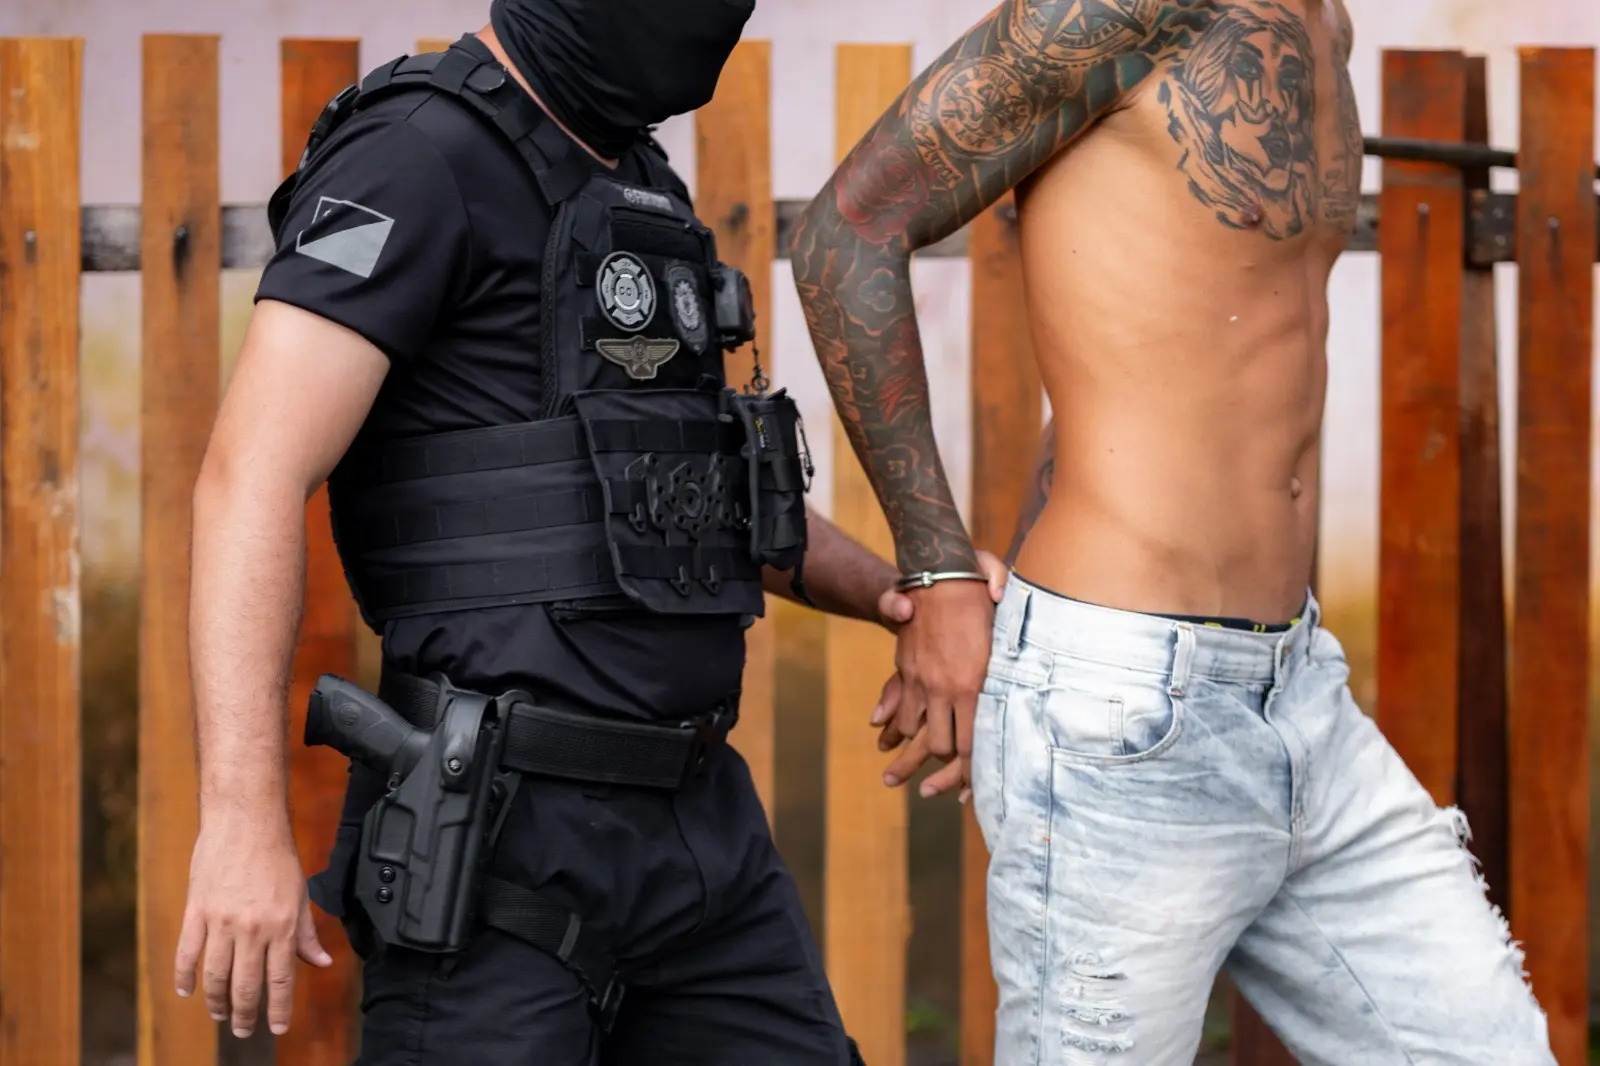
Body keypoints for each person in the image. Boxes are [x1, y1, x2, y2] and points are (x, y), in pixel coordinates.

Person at [170, 3, 1005, 1061]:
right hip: (494, 841)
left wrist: (898, 592)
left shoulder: (639, 185)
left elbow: (691, 491)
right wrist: (240, 821)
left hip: (697, 832)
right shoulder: (412, 154)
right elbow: (248, 477)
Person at [791, 0, 1557, 1063]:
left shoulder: (1322, 23)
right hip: (1124, 713)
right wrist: (939, 576)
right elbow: (848, 229)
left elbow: (1152, 340)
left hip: (1297, 691)